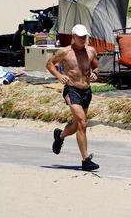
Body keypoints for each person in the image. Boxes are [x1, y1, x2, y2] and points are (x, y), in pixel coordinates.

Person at [47, 24, 100, 171]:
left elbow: (96, 67)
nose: (82, 39)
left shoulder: (91, 51)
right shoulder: (65, 52)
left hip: (86, 91)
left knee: (78, 125)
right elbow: (50, 63)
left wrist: (95, 73)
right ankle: (85, 160)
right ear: (73, 37)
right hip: (72, 90)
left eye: (84, 37)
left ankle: (60, 136)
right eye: (79, 37)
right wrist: (59, 75)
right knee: (82, 122)